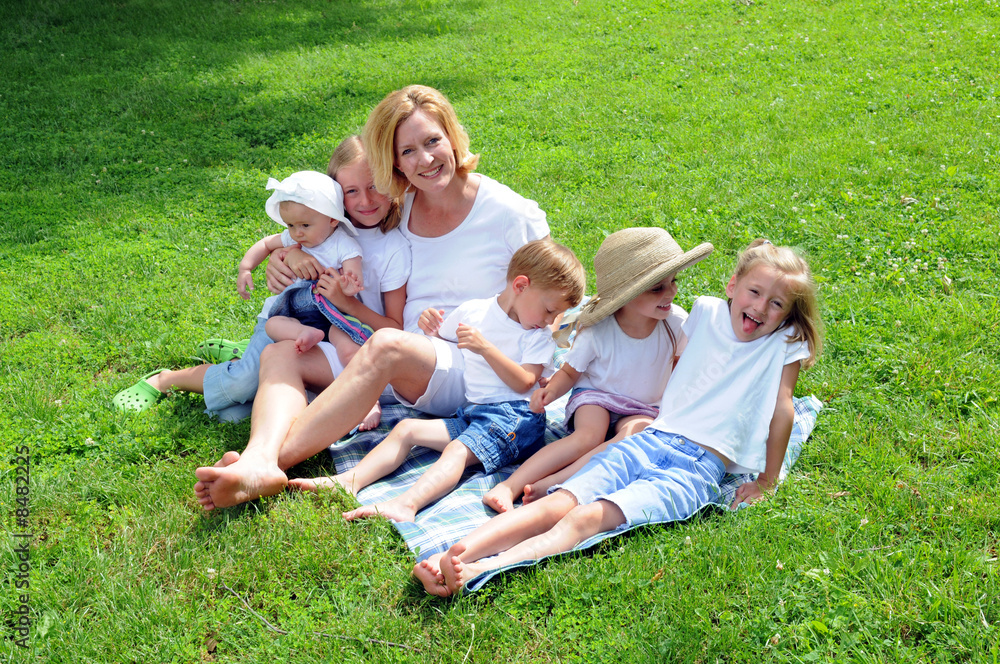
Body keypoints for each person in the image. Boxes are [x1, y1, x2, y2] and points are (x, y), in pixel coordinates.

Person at [193, 85, 550, 511]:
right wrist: (286, 256)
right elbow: (329, 230)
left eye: (433, 141)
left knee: (387, 345)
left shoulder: (509, 213)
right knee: (280, 353)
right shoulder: (398, 203)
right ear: (393, 163)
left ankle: (266, 466)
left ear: (453, 136)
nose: (425, 160)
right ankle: (258, 459)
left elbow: (558, 291)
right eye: (407, 152)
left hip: (473, 368)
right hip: (405, 359)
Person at [415, 238, 824, 596]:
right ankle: (449, 556)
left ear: (788, 314)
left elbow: (782, 407)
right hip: (653, 438)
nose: (760, 308)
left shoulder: (785, 342)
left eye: (776, 304)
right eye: (753, 291)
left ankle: (478, 570)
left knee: (587, 517)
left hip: (698, 468)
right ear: (733, 286)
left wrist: (767, 480)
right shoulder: (705, 312)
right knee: (558, 503)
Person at [112, 139, 408, 428]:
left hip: (333, 336)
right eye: (351, 191)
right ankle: (166, 379)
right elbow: (282, 242)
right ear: (333, 195)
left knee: (234, 415)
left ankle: (241, 353)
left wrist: (343, 300)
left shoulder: (390, 246)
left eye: (374, 186)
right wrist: (287, 255)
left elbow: (393, 328)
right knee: (243, 382)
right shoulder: (314, 224)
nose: (365, 201)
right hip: (290, 320)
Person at [289, 240, 585, 523]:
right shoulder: (475, 311)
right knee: (406, 429)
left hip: (516, 420)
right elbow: (441, 338)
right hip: (475, 412)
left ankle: (407, 505)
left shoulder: (537, 336)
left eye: (557, 315)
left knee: (456, 450)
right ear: (520, 286)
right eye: (549, 311)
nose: (550, 321)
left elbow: (524, 381)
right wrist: (430, 326)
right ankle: (348, 482)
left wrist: (485, 349)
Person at [481, 227, 713, 514]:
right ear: (626, 295)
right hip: (597, 395)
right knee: (589, 435)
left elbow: (683, 367)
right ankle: (510, 485)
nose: (672, 292)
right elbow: (570, 372)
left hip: (644, 406)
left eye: (672, 282)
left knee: (631, 438)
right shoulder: (598, 330)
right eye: (657, 287)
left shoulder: (676, 323)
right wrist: (551, 391)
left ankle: (555, 482)